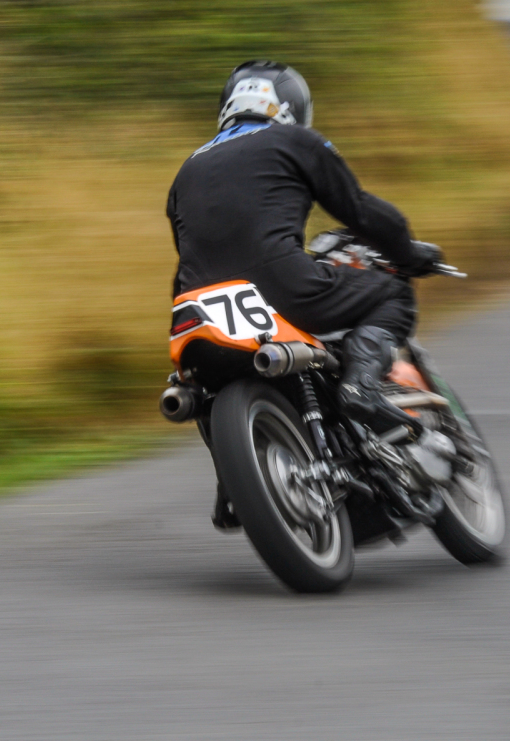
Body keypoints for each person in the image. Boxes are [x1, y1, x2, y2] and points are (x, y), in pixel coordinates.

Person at [166, 60, 440, 528]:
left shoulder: (186, 171)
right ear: (290, 107)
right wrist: (408, 252)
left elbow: (209, 245)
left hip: (191, 309)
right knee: (391, 292)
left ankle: (232, 488)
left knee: (203, 384)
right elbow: (361, 211)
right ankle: (360, 387)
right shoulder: (296, 141)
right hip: (283, 285)